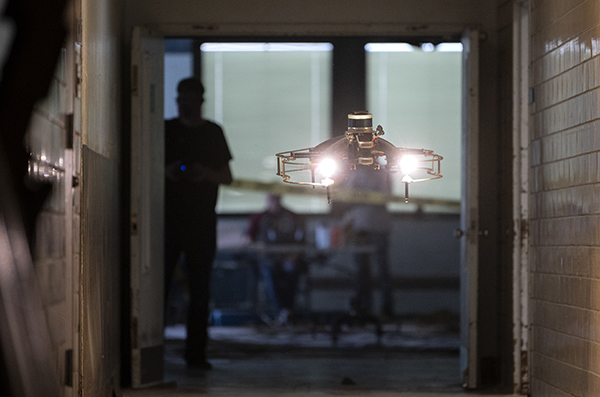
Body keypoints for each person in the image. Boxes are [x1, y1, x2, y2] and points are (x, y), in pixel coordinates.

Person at [164, 77, 233, 370]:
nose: (185, 106)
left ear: (200, 101)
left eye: (190, 101)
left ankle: (196, 354)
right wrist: (166, 171)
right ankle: (151, 350)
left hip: (202, 223)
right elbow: (146, 166)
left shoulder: (213, 133)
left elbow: (226, 176)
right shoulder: (165, 130)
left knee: (200, 291)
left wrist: (205, 173)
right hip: (168, 221)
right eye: (182, 100)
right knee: (158, 287)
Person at [246, 194, 305, 324]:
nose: (274, 203)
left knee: (292, 272)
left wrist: (294, 255)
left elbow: (301, 239)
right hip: (268, 259)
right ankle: (281, 311)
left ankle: (288, 310)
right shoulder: (259, 217)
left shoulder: (293, 216)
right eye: (271, 200)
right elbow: (249, 238)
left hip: (290, 259)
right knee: (270, 273)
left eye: (276, 199)